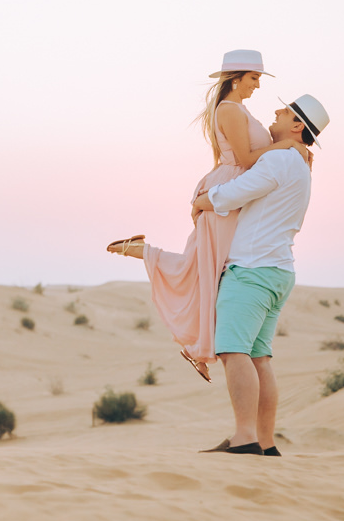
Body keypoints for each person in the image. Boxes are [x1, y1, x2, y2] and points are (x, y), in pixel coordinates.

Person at [106, 50, 309, 382]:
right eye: (254, 78)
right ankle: (196, 339)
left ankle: (199, 345)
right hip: (228, 191)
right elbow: (245, 159)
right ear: (236, 78)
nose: (257, 86)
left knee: (211, 270)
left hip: (234, 191)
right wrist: (287, 146)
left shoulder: (238, 110)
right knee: (207, 268)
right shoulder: (229, 109)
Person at [191, 94, 330, 456]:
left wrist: (204, 199)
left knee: (233, 351)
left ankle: (244, 438)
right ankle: (266, 443)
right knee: (258, 358)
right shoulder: (298, 164)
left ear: (297, 126)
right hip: (277, 271)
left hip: (252, 270)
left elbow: (237, 192)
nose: (275, 114)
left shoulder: (282, 159)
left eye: (283, 113)